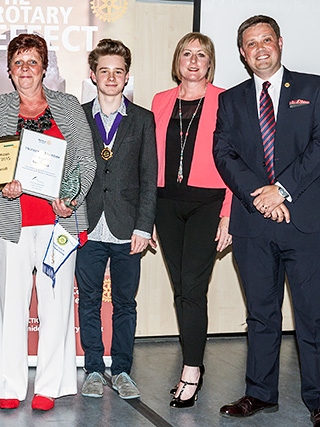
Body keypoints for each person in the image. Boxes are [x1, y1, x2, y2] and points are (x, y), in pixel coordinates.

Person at [0, 33, 96, 411]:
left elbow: (85, 163)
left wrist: (71, 199)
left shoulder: (69, 106)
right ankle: (10, 385)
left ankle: (49, 385)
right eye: (18, 63)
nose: (26, 69)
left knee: (56, 304)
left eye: (33, 62)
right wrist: (2, 186)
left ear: (44, 67)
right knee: (11, 306)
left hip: (57, 223)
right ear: (9, 71)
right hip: (13, 221)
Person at [213, 15, 320, 426]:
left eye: (265, 40)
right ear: (242, 53)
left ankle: (317, 399)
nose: (259, 49)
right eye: (250, 44)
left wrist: (283, 189)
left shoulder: (312, 88)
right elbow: (224, 154)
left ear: (279, 42)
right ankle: (259, 394)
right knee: (261, 314)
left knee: (312, 315)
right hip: (253, 225)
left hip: (304, 222)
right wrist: (263, 197)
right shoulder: (232, 99)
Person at [151, 32, 232, 408]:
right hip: (167, 203)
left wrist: (228, 213)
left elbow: (236, 160)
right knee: (180, 290)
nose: (194, 60)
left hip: (208, 204)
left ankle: (192, 370)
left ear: (210, 62)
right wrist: (146, 214)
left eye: (202, 54)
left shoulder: (225, 100)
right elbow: (150, 162)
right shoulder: (161, 101)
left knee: (192, 287)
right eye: (187, 53)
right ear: (177, 60)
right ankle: (194, 358)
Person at [75, 39, 156, 401]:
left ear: (126, 77)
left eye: (118, 71)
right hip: (87, 226)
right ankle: (93, 368)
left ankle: (122, 369)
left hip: (128, 229)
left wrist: (144, 225)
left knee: (125, 303)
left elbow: (149, 177)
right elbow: (68, 169)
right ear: (93, 75)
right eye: (104, 70)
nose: (111, 77)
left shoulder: (143, 119)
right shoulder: (76, 115)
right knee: (88, 301)